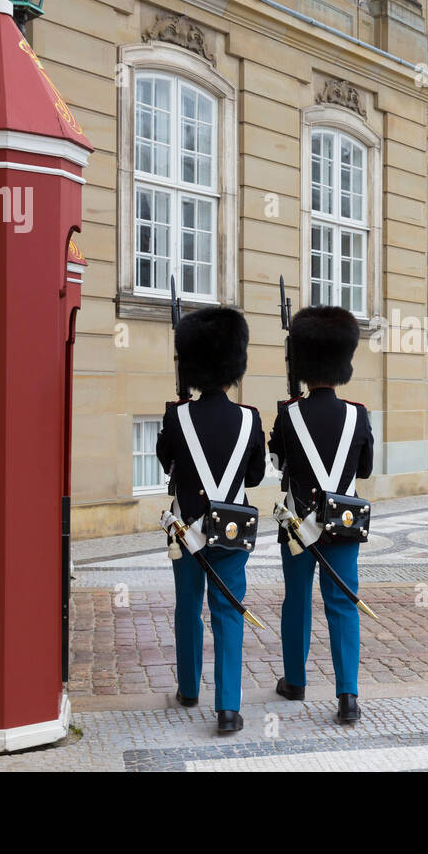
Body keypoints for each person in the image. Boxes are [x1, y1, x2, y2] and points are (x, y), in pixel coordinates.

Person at [157, 306, 266, 733]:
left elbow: (166, 462)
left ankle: (188, 689)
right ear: (232, 367)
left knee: (188, 607)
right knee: (228, 611)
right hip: (233, 527)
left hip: (186, 530)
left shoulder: (176, 415)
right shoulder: (250, 418)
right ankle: (228, 707)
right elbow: (255, 475)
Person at [270, 306, 374, 723]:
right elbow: (364, 469)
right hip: (344, 523)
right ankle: (347, 695)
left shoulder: (288, 412)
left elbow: (278, 462)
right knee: (343, 603)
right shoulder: (357, 413)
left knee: (296, 600)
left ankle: (295, 681)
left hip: (298, 524)